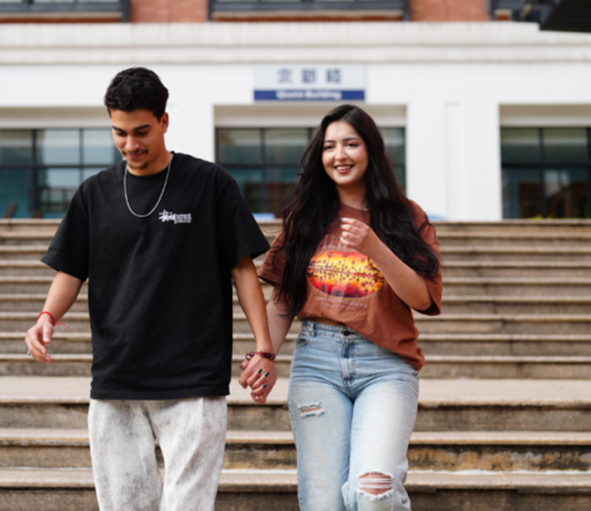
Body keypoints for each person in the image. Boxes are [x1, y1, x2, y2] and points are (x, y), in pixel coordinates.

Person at [24, 67, 277, 511]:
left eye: (141, 131)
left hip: (193, 377)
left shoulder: (210, 184)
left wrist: (265, 348)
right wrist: (47, 316)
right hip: (117, 377)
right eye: (119, 133)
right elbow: (71, 269)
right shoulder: (94, 193)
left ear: (164, 121)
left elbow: (242, 268)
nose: (130, 144)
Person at [257, 104, 442, 511]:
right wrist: (264, 355)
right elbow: (284, 299)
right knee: (323, 502)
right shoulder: (304, 218)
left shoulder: (406, 216)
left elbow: (422, 298)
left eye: (351, 144)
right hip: (316, 363)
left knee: (373, 492)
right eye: (329, 146)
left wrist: (374, 246)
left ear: (371, 150)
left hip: (386, 364)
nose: (339, 155)